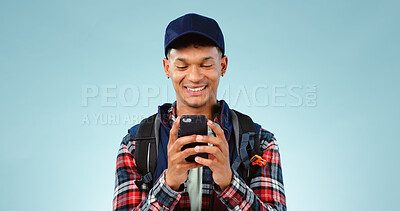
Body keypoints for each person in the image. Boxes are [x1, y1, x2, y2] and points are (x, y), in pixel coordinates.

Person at [113, 13, 286, 211]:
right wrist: (168, 184)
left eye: (206, 65)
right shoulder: (135, 145)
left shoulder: (260, 142)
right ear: (167, 68)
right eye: (182, 66)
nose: (194, 77)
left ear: (223, 65)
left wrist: (229, 182)